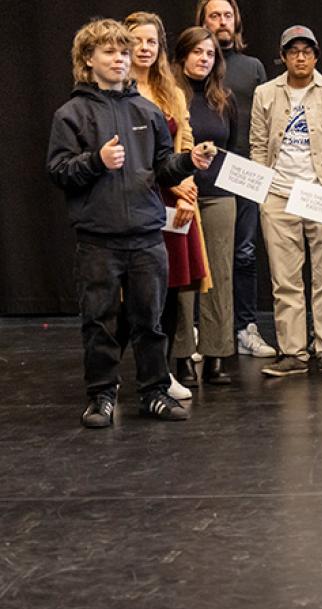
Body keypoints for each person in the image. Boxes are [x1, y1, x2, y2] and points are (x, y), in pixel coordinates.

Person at [48, 18, 212, 426]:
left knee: (150, 321)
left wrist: (189, 161)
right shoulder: (71, 114)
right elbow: (58, 171)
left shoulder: (147, 111)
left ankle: (154, 393)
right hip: (98, 239)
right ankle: (101, 397)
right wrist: (96, 162)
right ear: (88, 60)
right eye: (110, 51)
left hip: (145, 236)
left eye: (124, 52)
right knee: (100, 322)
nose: (121, 58)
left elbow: (162, 168)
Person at [250, 25, 322, 378]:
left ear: (315, 55)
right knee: (285, 280)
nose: (300, 57)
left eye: (306, 51)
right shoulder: (265, 93)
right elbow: (257, 144)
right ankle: (293, 352)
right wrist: (264, 191)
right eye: (293, 51)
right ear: (283, 57)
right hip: (280, 195)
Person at [127, 13, 209, 401]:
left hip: (175, 199)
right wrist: (173, 186)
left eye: (151, 42)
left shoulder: (171, 90)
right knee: (139, 293)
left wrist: (187, 186)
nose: (144, 48)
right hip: (140, 198)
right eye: (136, 40)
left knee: (174, 286)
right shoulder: (117, 91)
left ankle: (162, 373)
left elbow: (187, 141)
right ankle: (123, 374)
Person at [195, 0, 275, 359]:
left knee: (244, 253)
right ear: (203, 21)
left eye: (227, 15)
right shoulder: (194, 68)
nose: (222, 22)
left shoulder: (253, 67)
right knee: (202, 255)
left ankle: (245, 328)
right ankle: (200, 329)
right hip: (201, 172)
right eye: (214, 15)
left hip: (245, 172)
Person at [172, 26, 238, 387]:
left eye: (210, 54)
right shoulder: (169, 97)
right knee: (184, 276)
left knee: (221, 276)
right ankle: (182, 356)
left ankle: (216, 355)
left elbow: (235, 149)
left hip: (219, 196)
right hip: (181, 196)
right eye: (196, 52)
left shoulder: (223, 99)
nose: (203, 59)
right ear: (182, 56)